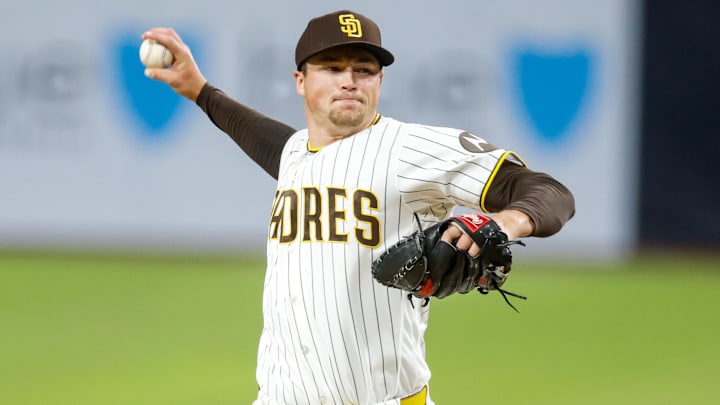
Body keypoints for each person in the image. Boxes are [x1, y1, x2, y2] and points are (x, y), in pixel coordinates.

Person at [142, 9, 575, 405]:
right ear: (300, 81)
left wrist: (505, 221)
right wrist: (200, 91)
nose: (349, 80)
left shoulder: (408, 149)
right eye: (332, 68)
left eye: (364, 70)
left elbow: (548, 191)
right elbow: (262, 136)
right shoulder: (296, 154)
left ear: (379, 83)